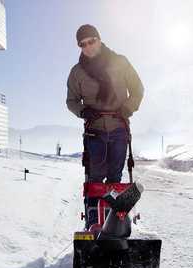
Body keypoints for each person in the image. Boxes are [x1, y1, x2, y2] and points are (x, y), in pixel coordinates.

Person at [66, 24, 144, 228]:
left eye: (91, 41)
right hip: (95, 131)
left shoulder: (120, 62)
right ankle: (93, 222)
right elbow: (71, 101)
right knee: (96, 178)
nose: (88, 46)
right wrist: (84, 111)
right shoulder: (77, 72)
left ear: (99, 40)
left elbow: (137, 89)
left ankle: (115, 223)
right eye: (82, 44)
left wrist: (128, 108)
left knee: (115, 176)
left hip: (119, 127)